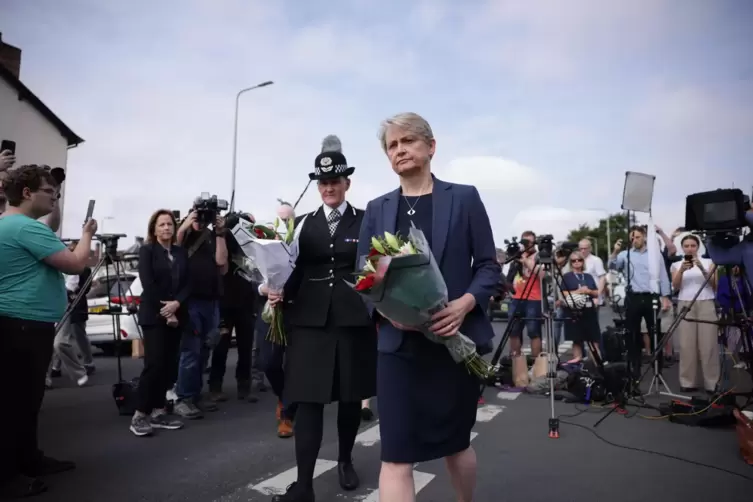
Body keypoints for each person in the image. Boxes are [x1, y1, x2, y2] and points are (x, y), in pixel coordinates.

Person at [358, 112, 500, 502]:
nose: (399, 149)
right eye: (392, 145)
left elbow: (489, 266)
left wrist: (464, 304)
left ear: (430, 146)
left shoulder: (465, 197)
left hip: (453, 344)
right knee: (396, 455)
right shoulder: (376, 208)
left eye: (408, 141)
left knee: (456, 445)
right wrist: (389, 314)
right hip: (398, 350)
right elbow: (364, 278)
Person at [264, 135, 377, 502]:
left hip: (350, 319)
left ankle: (345, 460)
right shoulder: (302, 225)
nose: (329, 188)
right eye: (323, 183)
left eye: (335, 182)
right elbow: (290, 269)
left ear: (347, 183)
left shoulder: (366, 221)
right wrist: (277, 288)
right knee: (309, 401)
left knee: (348, 398)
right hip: (309, 320)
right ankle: (305, 485)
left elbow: (375, 269)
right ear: (318, 186)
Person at [0, 165, 97, 499]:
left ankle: (29, 459)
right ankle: (8, 474)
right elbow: (75, 263)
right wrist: (87, 234)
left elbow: (49, 230)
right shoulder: (23, 227)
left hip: (20, 325)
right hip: (22, 327)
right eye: (48, 191)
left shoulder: (10, 224)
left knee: (25, 402)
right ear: (27, 193)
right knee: (15, 404)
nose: (54, 196)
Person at [130, 209, 189, 437]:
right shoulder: (147, 251)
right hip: (154, 316)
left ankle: (158, 411)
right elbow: (149, 284)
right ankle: (140, 415)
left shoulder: (180, 253)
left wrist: (177, 304)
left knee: (169, 366)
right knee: (154, 365)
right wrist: (167, 311)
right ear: (154, 229)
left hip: (176, 313)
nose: (166, 228)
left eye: (169, 224)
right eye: (162, 224)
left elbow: (187, 284)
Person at [174, 208, 229, 418]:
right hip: (191, 301)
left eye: (203, 218)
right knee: (190, 351)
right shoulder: (184, 236)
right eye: (197, 217)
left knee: (206, 348)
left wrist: (220, 232)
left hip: (211, 300)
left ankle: (195, 395)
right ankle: (183, 397)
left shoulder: (212, 236)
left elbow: (222, 264)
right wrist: (187, 223)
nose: (200, 221)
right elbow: (175, 248)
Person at [608, 226, 672, 380]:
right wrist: (615, 252)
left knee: (654, 332)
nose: (634, 240)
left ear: (643, 237)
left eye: (637, 237)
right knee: (632, 334)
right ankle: (634, 369)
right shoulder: (625, 254)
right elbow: (612, 267)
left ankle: (658, 369)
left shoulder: (654, 255)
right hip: (633, 296)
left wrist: (665, 296)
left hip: (651, 296)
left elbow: (663, 274)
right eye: (632, 238)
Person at [671, 235, 719, 393]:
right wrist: (682, 270)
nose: (690, 248)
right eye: (686, 246)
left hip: (706, 302)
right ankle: (687, 382)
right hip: (685, 303)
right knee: (687, 344)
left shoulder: (709, 262)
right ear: (682, 248)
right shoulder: (676, 264)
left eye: (693, 245)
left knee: (709, 344)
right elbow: (676, 286)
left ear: (698, 247)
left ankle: (711, 383)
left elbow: (714, 285)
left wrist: (702, 268)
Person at [49, 240, 96, 387]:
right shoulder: (50, 264)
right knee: (49, 341)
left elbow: (78, 287)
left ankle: (86, 365)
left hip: (72, 306)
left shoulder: (79, 268)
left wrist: (70, 295)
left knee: (69, 338)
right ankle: (52, 370)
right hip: (51, 305)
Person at [560, 251, 601, 362]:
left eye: (579, 260)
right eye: (574, 260)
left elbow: (597, 293)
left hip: (589, 309)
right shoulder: (567, 277)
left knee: (594, 337)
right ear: (570, 263)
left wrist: (588, 291)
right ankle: (577, 361)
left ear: (583, 262)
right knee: (576, 338)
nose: (577, 262)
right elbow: (564, 293)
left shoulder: (588, 276)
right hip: (574, 309)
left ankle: (595, 361)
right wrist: (578, 291)